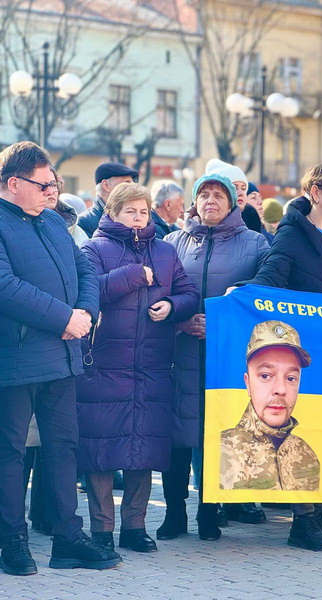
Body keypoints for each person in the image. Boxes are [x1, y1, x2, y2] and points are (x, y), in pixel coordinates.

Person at [0, 141, 121, 575]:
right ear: (14, 184)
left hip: (63, 356)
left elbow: (85, 268)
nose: (51, 191)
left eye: (54, 183)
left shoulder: (52, 222)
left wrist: (85, 312)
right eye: (43, 183)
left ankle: (68, 538)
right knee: (9, 453)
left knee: (63, 448)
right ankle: (12, 543)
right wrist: (63, 318)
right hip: (14, 360)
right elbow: (5, 286)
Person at [238, 163, 322, 551]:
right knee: (304, 437)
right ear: (315, 191)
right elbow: (269, 281)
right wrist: (237, 299)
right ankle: (303, 519)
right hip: (306, 355)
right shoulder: (292, 236)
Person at [78, 183, 199, 554]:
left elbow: (189, 293)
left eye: (143, 212)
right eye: (130, 211)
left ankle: (134, 527)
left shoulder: (165, 251)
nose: (138, 218)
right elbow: (86, 292)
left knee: (141, 450)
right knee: (101, 450)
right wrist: (132, 275)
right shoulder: (92, 249)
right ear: (112, 213)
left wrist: (173, 307)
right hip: (105, 365)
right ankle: (101, 531)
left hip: (152, 365)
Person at [162, 173, 270, 542]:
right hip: (180, 355)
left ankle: (209, 514)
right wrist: (182, 320)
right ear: (194, 202)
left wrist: (222, 322)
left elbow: (265, 293)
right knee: (176, 438)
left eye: (219, 195)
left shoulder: (255, 244)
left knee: (217, 437)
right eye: (204, 194)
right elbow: (158, 293)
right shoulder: (172, 242)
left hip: (227, 358)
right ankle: (173, 514)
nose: (211, 200)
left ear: (232, 202)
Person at [219, 321, 319, 492]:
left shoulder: (306, 453)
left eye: (291, 378)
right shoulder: (222, 450)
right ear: (248, 383)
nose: (280, 390)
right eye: (266, 376)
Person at [78, 162, 138, 237]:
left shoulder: (139, 216)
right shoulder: (85, 222)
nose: (133, 188)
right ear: (106, 185)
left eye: (132, 184)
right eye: (126, 183)